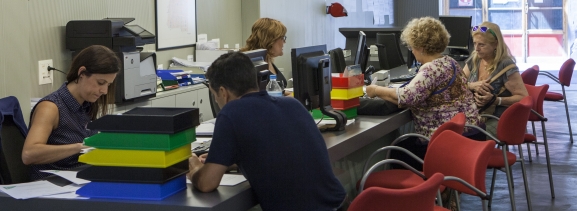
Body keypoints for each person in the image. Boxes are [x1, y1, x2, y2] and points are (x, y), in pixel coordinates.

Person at [187, 52, 346, 210]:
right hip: (342, 205)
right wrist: (226, 160)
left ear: (223, 92)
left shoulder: (231, 113)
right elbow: (276, 151)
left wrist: (194, 166)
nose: (217, 101)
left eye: (215, 96)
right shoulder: (293, 105)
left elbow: (207, 183)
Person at [366, 17, 483, 169]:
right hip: (473, 134)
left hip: (450, 143)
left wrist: (375, 90)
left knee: (399, 151)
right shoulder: (450, 62)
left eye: (412, 47)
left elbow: (407, 97)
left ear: (421, 47)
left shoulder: (430, 69)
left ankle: (422, 190)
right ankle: (443, 189)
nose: (412, 51)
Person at [22, 45, 120, 180]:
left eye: (108, 85)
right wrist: (79, 147)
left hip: (80, 178)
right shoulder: (50, 107)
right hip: (52, 186)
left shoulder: (87, 105)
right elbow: (29, 154)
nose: (104, 91)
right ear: (82, 73)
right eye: (100, 82)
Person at [463, 21, 528, 136]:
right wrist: (472, 85)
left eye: (482, 45)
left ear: (495, 45)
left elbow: (524, 98)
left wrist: (496, 100)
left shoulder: (505, 65)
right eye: (475, 43)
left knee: (471, 137)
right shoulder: (475, 59)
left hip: (499, 118)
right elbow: (458, 84)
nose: (476, 49)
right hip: (475, 115)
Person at [240, 17, 290, 95]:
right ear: (270, 40)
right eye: (282, 38)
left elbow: (276, 91)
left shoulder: (267, 60)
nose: (284, 41)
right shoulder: (251, 65)